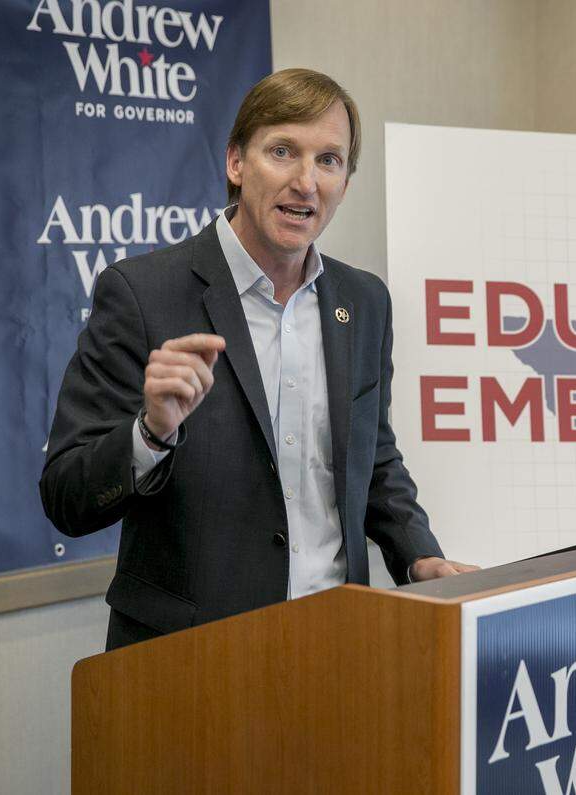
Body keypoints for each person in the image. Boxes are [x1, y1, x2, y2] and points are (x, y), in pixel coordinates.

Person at [40, 68, 475, 651]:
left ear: (346, 180)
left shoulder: (364, 301)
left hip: (338, 641)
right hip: (190, 656)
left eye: (329, 160)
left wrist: (418, 554)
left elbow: (374, 459)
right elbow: (66, 495)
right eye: (282, 151)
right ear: (236, 164)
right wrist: (151, 432)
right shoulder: (142, 293)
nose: (306, 181)